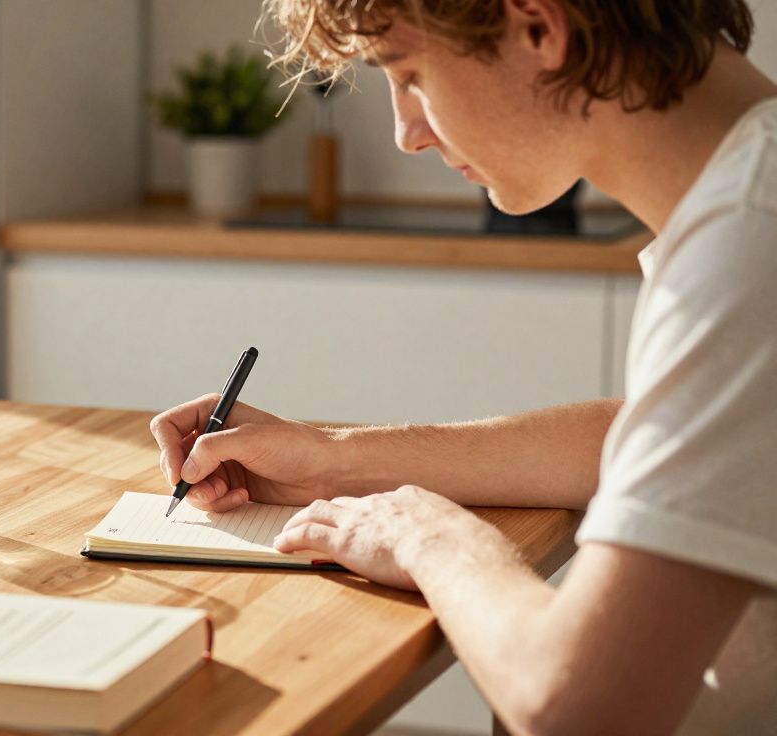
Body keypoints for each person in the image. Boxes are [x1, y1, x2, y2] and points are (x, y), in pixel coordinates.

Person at [149, 1, 776, 732]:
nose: (406, 133)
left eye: (410, 75)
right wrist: (331, 461)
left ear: (538, 28)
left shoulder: (750, 242)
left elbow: (574, 706)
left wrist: (433, 539)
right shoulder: (745, 198)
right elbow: (656, 441)